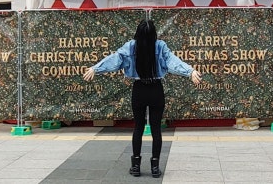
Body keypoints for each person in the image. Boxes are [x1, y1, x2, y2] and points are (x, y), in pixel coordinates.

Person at [83, 19, 202, 177]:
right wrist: (190, 71)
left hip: (139, 90)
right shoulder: (160, 46)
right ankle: (155, 167)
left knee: (138, 128)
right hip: (156, 90)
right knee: (156, 129)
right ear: (154, 34)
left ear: (137, 33)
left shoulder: (131, 46)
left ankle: (136, 166)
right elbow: (173, 61)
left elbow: (115, 59)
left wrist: (95, 68)